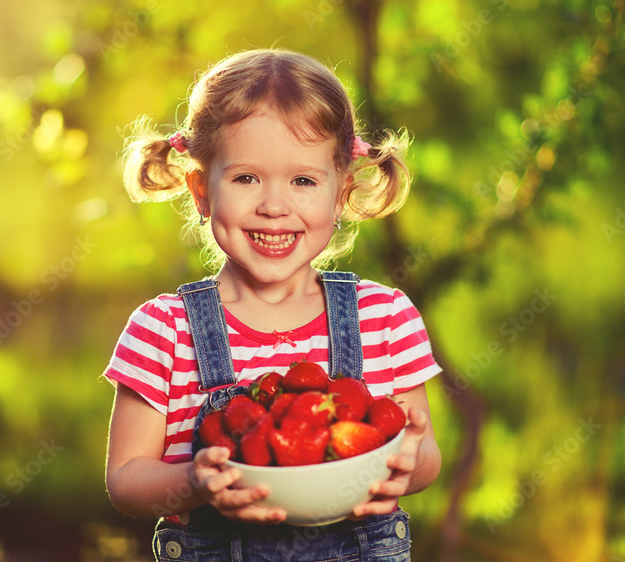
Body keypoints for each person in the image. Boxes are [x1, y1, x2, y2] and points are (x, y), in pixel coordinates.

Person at [104, 48, 442, 561]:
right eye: (246, 178)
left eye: (303, 180)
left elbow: (425, 459)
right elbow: (127, 481)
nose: (274, 205)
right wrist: (196, 482)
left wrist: (402, 465)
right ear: (201, 190)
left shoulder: (386, 319)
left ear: (340, 192)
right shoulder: (164, 330)